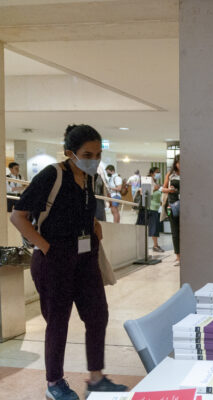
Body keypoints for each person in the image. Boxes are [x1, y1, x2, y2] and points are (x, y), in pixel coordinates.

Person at [10, 124, 127, 400]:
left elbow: (75, 211)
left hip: (85, 258)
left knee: (97, 315)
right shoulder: (52, 175)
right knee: (58, 322)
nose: (95, 159)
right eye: (88, 153)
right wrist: (47, 247)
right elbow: (19, 216)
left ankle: (96, 379)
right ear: (69, 153)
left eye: (98, 154)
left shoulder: (89, 178)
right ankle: (54, 383)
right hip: (55, 261)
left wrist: (94, 223)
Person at [136, 167, 164, 252]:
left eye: (159, 172)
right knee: (151, 228)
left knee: (155, 228)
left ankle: (156, 245)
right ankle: (153, 246)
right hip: (149, 208)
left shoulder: (155, 182)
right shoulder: (147, 180)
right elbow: (144, 194)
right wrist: (154, 189)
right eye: (157, 172)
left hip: (156, 208)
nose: (158, 174)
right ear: (152, 173)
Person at [162, 155, 180, 265]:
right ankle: (178, 257)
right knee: (174, 231)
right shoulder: (170, 174)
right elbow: (163, 189)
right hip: (170, 206)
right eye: (178, 162)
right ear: (175, 163)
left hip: (185, 206)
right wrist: (169, 190)